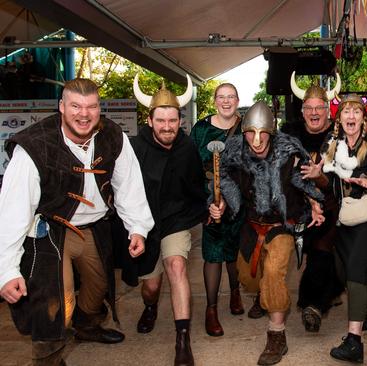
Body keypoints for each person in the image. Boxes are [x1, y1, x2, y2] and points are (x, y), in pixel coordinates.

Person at [0, 78, 154, 365]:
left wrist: (138, 227)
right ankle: (49, 358)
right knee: (56, 304)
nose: (84, 114)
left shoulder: (112, 136)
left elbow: (129, 185)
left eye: (91, 107)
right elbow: (13, 212)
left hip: (94, 228)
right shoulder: (34, 145)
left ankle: (86, 328)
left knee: (99, 290)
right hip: (49, 231)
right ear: (61, 107)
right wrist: (6, 269)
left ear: (99, 108)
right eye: (75, 106)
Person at [208, 101, 325, 365]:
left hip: (281, 225)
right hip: (251, 226)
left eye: (263, 133)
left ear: (272, 131)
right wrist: (221, 203)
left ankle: (276, 336)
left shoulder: (289, 150)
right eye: (251, 132)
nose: (257, 140)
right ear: (244, 131)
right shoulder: (235, 151)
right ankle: (262, 296)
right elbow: (223, 181)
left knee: (273, 274)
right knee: (249, 280)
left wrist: (315, 203)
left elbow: (303, 179)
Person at [122, 74, 206, 366]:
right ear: (150, 120)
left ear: (180, 120)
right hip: (144, 224)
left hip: (176, 221)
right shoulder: (133, 148)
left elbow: (197, 186)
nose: (168, 127)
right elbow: (122, 187)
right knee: (152, 286)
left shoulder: (187, 147)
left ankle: (182, 341)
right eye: (162, 121)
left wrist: (208, 209)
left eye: (173, 121)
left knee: (176, 266)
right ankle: (150, 306)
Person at [309, 93, 367, 363]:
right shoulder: (331, 144)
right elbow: (327, 185)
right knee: (344, 272)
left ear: (363, 118)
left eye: (356, 112)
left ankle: (354, 341)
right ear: (339, 118)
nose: (351, 116)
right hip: (341, 218)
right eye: (346, 111)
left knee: (356, 270)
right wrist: (317, 176)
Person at [285, 72, 348, 332]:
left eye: (319, 108)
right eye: (309, 108)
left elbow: (348, 177)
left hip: (334, 205)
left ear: (327, 110)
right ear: (302, 111)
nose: (314, 112)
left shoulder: (340, 135)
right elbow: (283, 170)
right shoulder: (289, 134)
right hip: (298, 204)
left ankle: (313, 305)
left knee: (323, 252)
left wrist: (321, 182)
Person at [190, 83, 248, 335]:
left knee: (234, 249)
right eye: (221, 97)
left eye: (231, 97)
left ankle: (236, 292)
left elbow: (254, 165)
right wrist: (205, 202)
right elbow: (189, 167)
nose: (226, 101)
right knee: (213, 251)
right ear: (215, 101)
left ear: (237, 100)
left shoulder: (247, 128)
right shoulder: (201, 129)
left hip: (239, 196)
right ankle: (211, 310)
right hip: (208, 198)